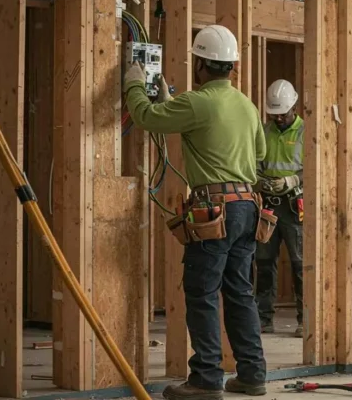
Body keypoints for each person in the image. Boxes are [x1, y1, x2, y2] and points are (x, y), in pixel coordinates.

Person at [124, 24, 268, 399]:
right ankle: (252, 375)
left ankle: (206, 379)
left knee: (202, 291)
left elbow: (146, 118)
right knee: (239, 291)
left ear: (201, 64)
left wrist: (134, 83)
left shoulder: (197, 102)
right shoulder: (247, 105)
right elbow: (261, 156)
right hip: (247, 207)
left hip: (214, 210)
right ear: (232, 66)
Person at [254, 79, 305, 338]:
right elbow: (256, 162)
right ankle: (263, 318)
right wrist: (260, 180)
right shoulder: (265, 131)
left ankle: (304, 319)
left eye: (282, 113)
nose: (278, 118)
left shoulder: (305, 133)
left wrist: (293, 180)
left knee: (300, 264)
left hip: (294, 207)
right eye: (274, 114)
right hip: (269, 204)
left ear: (293, 107)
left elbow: (315, 167)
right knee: (263, 262)